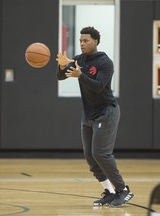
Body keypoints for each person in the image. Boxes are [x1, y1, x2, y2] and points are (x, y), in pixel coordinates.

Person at [56, 26, 134, 207]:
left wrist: (80, 75)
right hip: (89, 114)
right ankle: (109, 191)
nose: (82, 44)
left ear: (95, 41)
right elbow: (60, 77)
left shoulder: (105, 62)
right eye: (80, 40)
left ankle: (123, 190)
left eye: (86, 41)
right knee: (90, 157)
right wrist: (61, 65)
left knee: (101, 153)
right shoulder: (79, 59)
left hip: (106, 112)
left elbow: (98, 86)